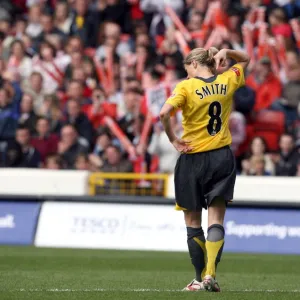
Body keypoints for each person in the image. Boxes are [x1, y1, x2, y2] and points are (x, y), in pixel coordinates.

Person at [160, 47, 250, 292]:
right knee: (216, 220)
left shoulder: (186, 87)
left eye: (186, 67)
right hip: (222, 157)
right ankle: (211, 274)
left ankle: (198, 279)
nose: (186, 72)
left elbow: (164, 113)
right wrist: (227, 52)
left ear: (194, 64)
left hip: (192, 159)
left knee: (192, 223)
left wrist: (174, 140)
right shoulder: (227, 79)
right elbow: (246, 59)